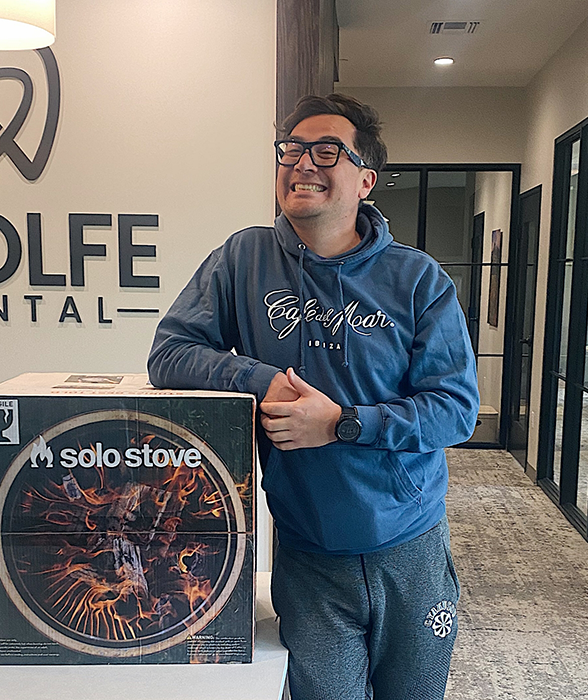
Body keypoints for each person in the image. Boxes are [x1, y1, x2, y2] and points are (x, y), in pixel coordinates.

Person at [148, 93, 479, 700]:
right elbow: (169, 354)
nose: (303, 162)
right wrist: (259, 379)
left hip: (411, 547)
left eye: (328, 150)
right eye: (291, 150)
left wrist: (343, 423)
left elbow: (456, 410)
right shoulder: (243, 260)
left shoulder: (419, 280)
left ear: (366, 180)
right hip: (308, 552)